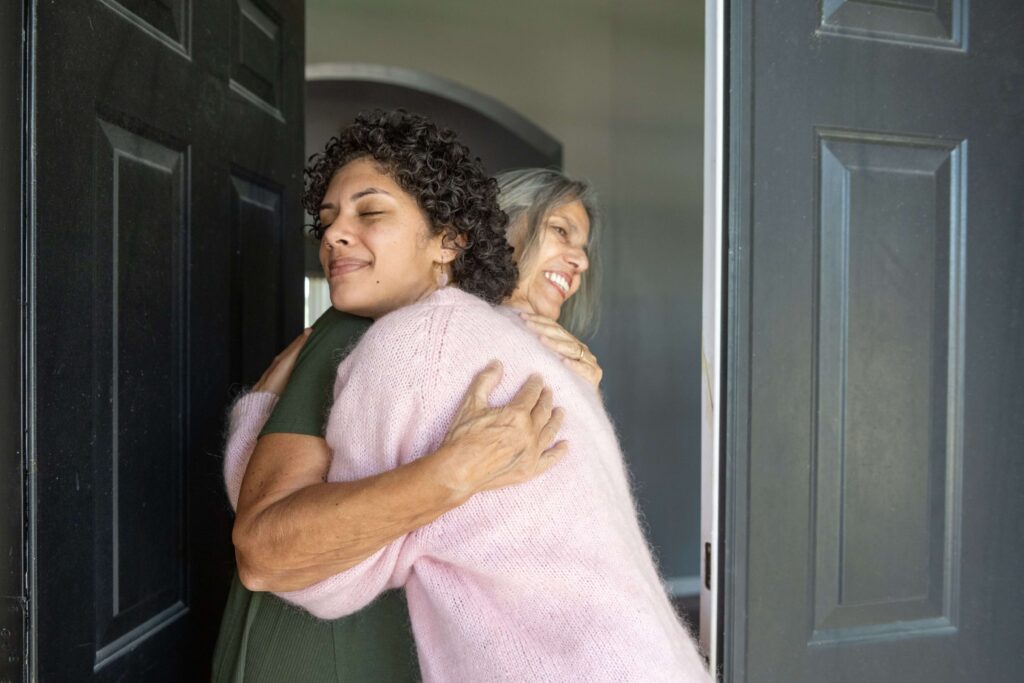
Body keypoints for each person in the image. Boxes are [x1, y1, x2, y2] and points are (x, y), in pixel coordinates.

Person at [225, 110, 711, 681]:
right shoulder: (526, 354)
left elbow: (297, 559)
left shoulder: (414, 341)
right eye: (559, 231)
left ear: (450, 240)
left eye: (371, 211)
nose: (331, 234)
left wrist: (257, 413)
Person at [211, 169, 607, 682]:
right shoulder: (374, 325)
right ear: (497, 226)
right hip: (328, 644)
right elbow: (265, 533)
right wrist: (259, 413)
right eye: (559, 231)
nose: (580, 259)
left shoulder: (547, 363)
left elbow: (562, 536)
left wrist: (586, 406)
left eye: (582, 244)